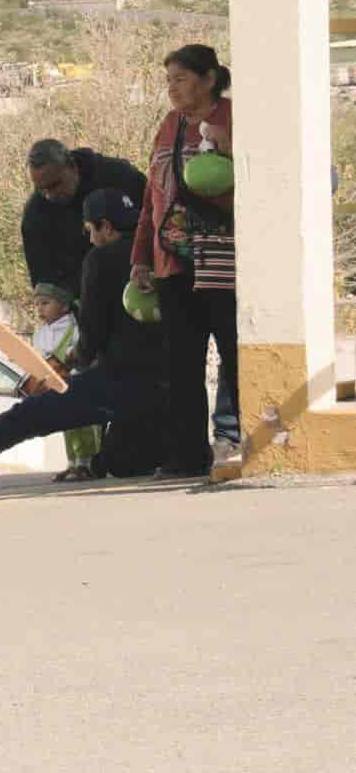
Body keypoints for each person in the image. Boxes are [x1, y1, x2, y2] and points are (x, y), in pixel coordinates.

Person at [0, 189, 167, 477]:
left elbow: (93, 332)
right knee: (123, 462)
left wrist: (73, 360)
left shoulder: (101, 259)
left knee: (30, 414)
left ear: (106, 227)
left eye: (90, 229)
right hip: (169, 383)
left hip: (121, 377)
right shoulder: (161, 253)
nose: (90, 238)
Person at [132, 43, 238, 477]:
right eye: (168, 80)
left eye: (181, 79)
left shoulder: (235, 118)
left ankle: (242, 440)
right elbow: (150, 199)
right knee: (181, 363)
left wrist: (226, 148)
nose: (172, 89)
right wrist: (141, 258)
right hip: (174, 262)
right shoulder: (169, 125)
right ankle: (187, 455)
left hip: (226, 259)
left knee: (235, 354)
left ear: (209, 79)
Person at [21, 138, 146, 307]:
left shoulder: (119, 176)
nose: (50, 195)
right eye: (42, 189)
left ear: (72, 166)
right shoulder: (35, 216)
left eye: (55, 184)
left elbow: (155, 218)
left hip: (141, 283)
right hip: (89, 303)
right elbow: (44, 282)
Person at [24, 282, 103, 481]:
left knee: (84, 423)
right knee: (67, 425)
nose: (40, 308)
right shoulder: (40, 333)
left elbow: (83, 353)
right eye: (38, 304)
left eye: (46, 303)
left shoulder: (75, 327)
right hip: (57, 383)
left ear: (65, 306)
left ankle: (88, 464)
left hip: (78, 380)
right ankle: (72, 463)